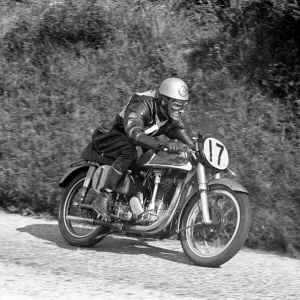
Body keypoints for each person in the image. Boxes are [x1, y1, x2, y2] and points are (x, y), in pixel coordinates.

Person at [82, 78, 195, 220]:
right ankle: (103, 197)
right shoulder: (142, 104)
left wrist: (196, 148)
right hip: (111, 136)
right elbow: (133, 132)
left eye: (184, 105)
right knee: (129, 151)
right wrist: (163, 145)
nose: (181, 110)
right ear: (165, 101)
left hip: (135, 143)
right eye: (177, 105)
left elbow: (183, 134)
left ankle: (149, 208)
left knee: (163, 161)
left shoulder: (170, 116)